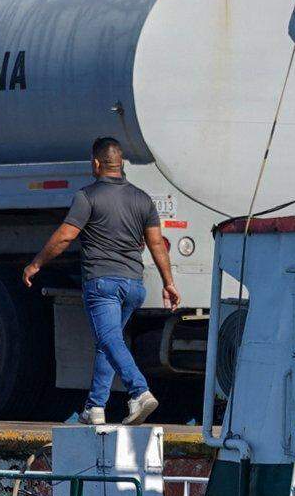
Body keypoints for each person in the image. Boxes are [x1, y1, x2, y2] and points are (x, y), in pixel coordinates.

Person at [20, 136, 180, 426]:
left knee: (109, 339)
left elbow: (66, 236)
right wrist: (168, 282)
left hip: (102, 283)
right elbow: (156, 243)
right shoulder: (142, 198)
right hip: (134, 286)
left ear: (96, 164)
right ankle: (95, 407)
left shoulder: (87, 197)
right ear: (121, 164)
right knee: (108, 341)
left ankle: (139, 391)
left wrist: (36, 264)